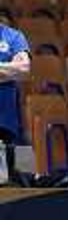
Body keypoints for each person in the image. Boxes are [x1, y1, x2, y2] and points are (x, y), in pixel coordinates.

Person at [0, 19, 31, 179]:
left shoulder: (14, 37)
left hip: (11, 125)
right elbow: (17, 70)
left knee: (26, 175)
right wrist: (9, 68)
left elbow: (25, 69)